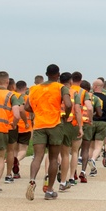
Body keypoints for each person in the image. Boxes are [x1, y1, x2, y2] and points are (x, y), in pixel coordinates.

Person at [25, 64, 72, 201]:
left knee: (37, 157)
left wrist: (38, 112)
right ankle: (49, 190)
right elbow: (68, 104)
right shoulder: (60, 87)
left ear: (46, 74)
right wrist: (66, 115)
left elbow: (27, 106)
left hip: (39, 125)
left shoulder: (34, 88)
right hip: (55, 124)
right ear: (58, 75)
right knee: (53, 158)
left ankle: (32, 180)